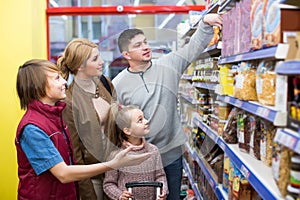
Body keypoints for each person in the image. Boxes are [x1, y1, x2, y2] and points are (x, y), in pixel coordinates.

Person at [112, 13, 223, 199]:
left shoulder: (168, 64)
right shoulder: (118, 84)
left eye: (145, 42)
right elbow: (117, 123)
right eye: (138, 45)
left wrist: (205, 22)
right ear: (126, 54)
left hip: (171, 153)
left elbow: (193, 48)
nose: (145, 47)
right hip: (140, 157)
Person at [15, 59, 151, 199]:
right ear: (39, 87)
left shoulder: (56, 116)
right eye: (57, 78)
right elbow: (63, 173)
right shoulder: (32, 128)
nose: (64, 82)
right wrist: (113, 164)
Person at [57, 38, 118, 200]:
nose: (102, 62)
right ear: (80, 66)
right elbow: (75, 155)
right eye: (95, 59)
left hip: (117, 170)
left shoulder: (106, 84)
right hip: (94, 176)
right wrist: (88, 193)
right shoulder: (69, 101)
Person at [103, 105, 168, 200]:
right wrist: (119, 195)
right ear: (127, 130)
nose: (146, 121)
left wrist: (163, 190)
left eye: (144, 117)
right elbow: (108, 184)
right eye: (140, 120)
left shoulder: (153, 151)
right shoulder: (117, 155)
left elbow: (160, 176)